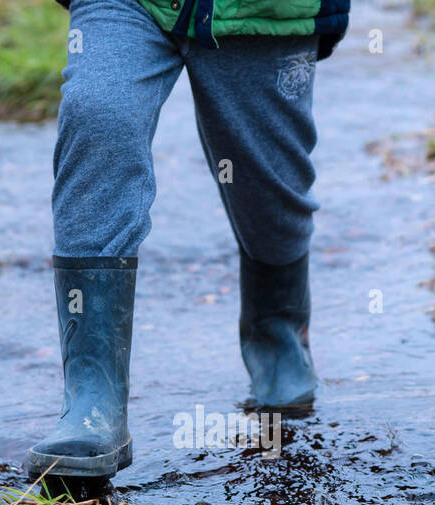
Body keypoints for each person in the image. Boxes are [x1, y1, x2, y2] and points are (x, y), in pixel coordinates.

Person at [25, 0, 350, 480]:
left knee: (269, 188)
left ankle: (278, 332)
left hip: (262, 10)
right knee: (98, 115)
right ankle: (93, 401)